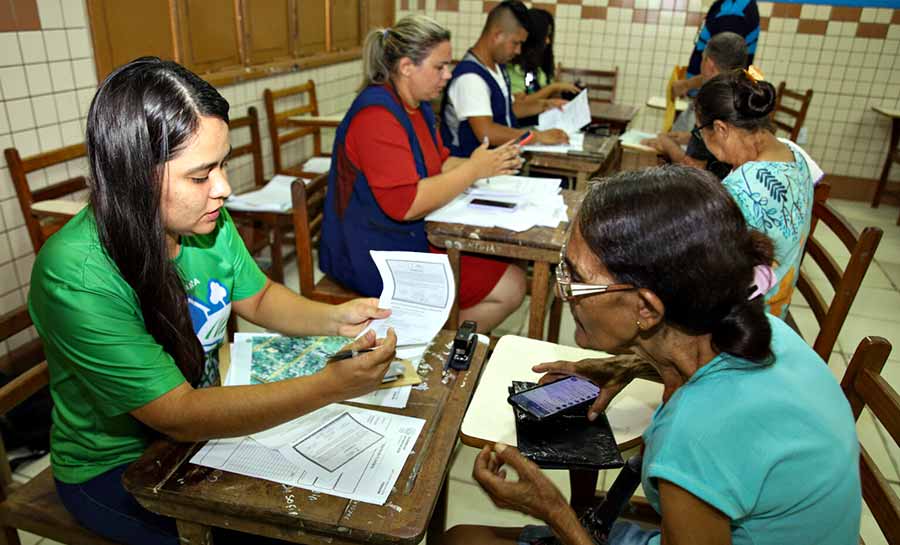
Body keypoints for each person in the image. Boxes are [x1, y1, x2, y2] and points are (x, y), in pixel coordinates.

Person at [28, 57, 400, 545]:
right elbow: (176, 413)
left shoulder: (204, 223)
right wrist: (327, 386)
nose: (223, 189)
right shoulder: (78, 275)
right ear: (132, 175)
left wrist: (335, 318)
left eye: (222, 164)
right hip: (116, 465)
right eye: (201, 176)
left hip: (198, 435)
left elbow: (260, 296)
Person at [441, 166, 861, 545]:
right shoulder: (761, 332)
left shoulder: (696, 432)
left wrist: (553, 510)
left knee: (460, 540)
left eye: (576, 279)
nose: (561, 291)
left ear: (646, 309)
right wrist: (629, 364)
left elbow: (707, 442)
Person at [319, 15, 527, 334]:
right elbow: (406, 205)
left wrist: (487, 162)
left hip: (404, 236)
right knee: (510, 287)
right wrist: (474, 169)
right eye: (439, 66)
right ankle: (433, 344)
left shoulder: (417, 105)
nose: (449, 74)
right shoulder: (376, 116)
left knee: (510, 273)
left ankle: (435, 336)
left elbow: (440, 164)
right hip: (370, 252)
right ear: (406, 67)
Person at [695, 69, 821, 318]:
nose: (705, 145)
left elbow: (711, 272)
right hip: (776, 307)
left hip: (747, 323)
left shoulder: (744, 189)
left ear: (721, 129)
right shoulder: (794, 154)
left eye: (701, 133)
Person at [440, 0, 569, 157]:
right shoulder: (470, 77)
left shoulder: (497, 68)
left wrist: (544, 105)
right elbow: (487, 132)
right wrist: (536, 136)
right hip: (469, 171)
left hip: (497, 167)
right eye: (515, 43)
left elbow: (507, 110)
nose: (519, 50)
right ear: (497, 35)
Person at [642, 32, 747, 180]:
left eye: (702, 59)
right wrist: (689, 137)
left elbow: (694, 170)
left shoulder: (711, 103)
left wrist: (668, 145)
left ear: (709, 64)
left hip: (714, 190)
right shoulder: (745, 94)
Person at [506, 8, 579, 127]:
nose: (548, 41)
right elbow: (520, 104)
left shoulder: (539, 68)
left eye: (550, 36)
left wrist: (556, 94)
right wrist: (553, 88)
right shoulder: (514, 68)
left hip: (543, 126)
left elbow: (542, 96)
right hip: (522, 129)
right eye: (545, 36)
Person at [672, 0, 759, 99]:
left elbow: (723, 70)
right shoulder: (726, 5)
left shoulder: (733, 13)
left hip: (713, 97)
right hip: (709, 93)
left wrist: (686, 85)